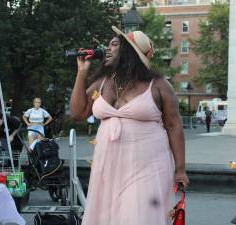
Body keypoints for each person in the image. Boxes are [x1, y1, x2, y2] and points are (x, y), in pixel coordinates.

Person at [70, 26, 189, 225]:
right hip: (108, 167)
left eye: (114, 45)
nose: (107, 49)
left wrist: (180, 169)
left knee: (139, 218)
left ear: (130, 51)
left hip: (148, 166)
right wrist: (82, 73)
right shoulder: (102, 82)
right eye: (108, 45)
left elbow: (174, 126)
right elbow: (78, 113)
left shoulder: (158, 85)